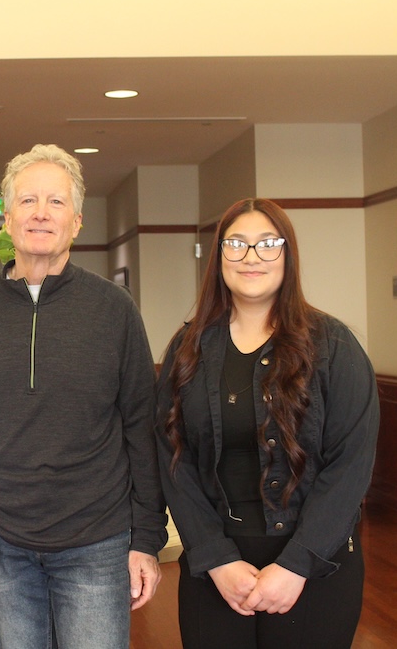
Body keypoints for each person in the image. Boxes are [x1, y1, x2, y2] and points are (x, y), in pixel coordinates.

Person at [0, 144, 167, 649]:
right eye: (27, 200)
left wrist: (147, 538)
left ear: (78, 221)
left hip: (98, 542)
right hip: (0, 543)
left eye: (56, 202)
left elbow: (142, 426)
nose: (41, 212)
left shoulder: (114, 309)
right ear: (8, 218)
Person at [155, 198, 380, 648]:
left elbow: (350, 465)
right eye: (235, 244)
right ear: (218, 257)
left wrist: (297, 563)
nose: (251, 257)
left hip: (316, 564)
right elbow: (171, 458)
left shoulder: (333, 345)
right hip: (216, 566)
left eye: (266, 244)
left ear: (288, 255)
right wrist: (216, 558)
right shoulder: (188, 347)